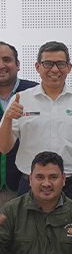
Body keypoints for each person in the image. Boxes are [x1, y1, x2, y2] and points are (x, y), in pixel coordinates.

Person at [0, 41, 72, 210]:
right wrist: (7, 119)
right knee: (24, 229)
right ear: (37, 67)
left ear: (69, 67)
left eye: (61, 64)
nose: (55, 69)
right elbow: (4, 148)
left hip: (71, 188)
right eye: (48, 64)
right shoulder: (21, 99)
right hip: (29, 187)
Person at [0, 42, 36, 207]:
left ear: (18, 64)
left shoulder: (35, 93)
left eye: (6, 60)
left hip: (25, 184)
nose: (1, 65)